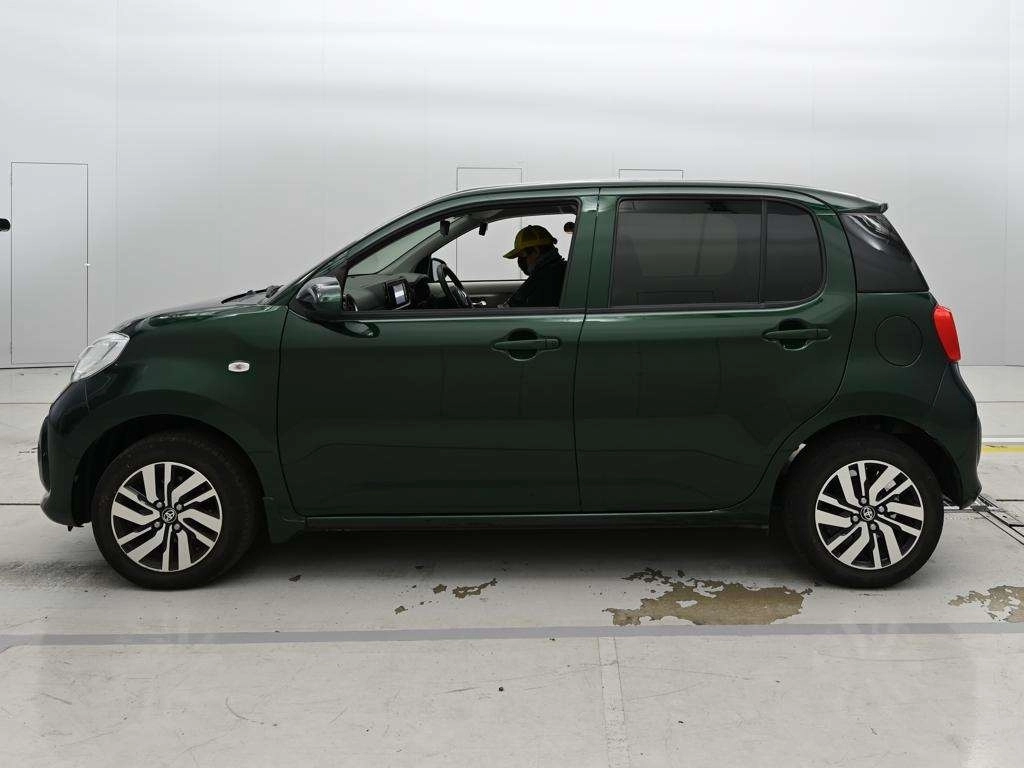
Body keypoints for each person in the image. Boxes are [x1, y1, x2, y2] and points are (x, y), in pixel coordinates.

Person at [500, 225, 567, 307]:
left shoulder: (543, 277)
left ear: (536, 251)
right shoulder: (561, 270)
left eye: (522, 255)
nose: (520, 261)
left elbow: (512, 308)